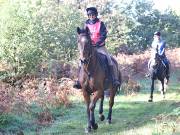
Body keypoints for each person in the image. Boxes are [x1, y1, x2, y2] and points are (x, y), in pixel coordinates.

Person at [73, 7, 120, 89]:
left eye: (93, 15)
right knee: (80, 61)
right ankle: (78, 81)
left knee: (109, 60)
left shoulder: (100, 24)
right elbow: (83, 36)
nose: (91, 16)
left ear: (95, 15)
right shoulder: (86, 24)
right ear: (88, 16)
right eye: (89, 15)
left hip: (100, 47)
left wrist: (98, 43)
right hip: (89, 48)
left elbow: (103, 34)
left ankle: (114, 79)